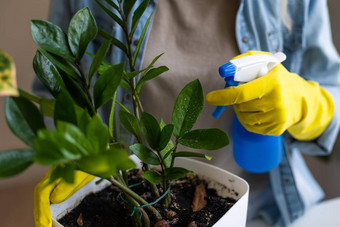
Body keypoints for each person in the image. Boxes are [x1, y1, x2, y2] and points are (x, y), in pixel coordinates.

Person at [33, 0, 340, 226]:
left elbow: (332, 91)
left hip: (264, 208)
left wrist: (308, 105)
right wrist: (75, 154)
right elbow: (56, 88)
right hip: (130, 197)